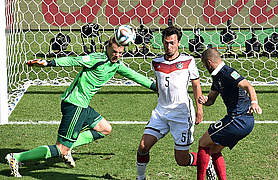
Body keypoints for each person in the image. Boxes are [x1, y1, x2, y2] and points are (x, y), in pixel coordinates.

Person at [5, 34, 156, 177]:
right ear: (108, 48)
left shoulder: (116, 65)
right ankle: (16, 157)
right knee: (61, 148)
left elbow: (135, 76)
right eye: (115, 51)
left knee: (104, 129)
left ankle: (68, 146)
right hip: (75, 104)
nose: (117, 55)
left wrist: (156, 87)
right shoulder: (96, 59)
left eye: (120, 53)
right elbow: (73, 60)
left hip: (82, 106)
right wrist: (49, 62)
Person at [136, 26, 206, 180]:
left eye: (172, 43)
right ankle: (140, 178)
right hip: (161, 113)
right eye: (166, 43)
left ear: (179, 43)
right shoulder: (156, 62)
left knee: (181, 160)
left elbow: (196, 85)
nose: (169, 46)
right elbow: (160, 85)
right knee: (142, 147)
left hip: (181, 115)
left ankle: (207, 163)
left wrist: (199, 109)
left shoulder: (188, 61)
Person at [196, 48, 262, 180]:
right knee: (215, 150)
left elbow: (249, 86)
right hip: (242, 121)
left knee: (203, 143)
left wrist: (254, 102)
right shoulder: (217, 76)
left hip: (238, 120)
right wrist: (204, 100)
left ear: (209, 62)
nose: (204, 68)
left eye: (204, 65)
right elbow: (211, 100)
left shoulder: (228, 72)